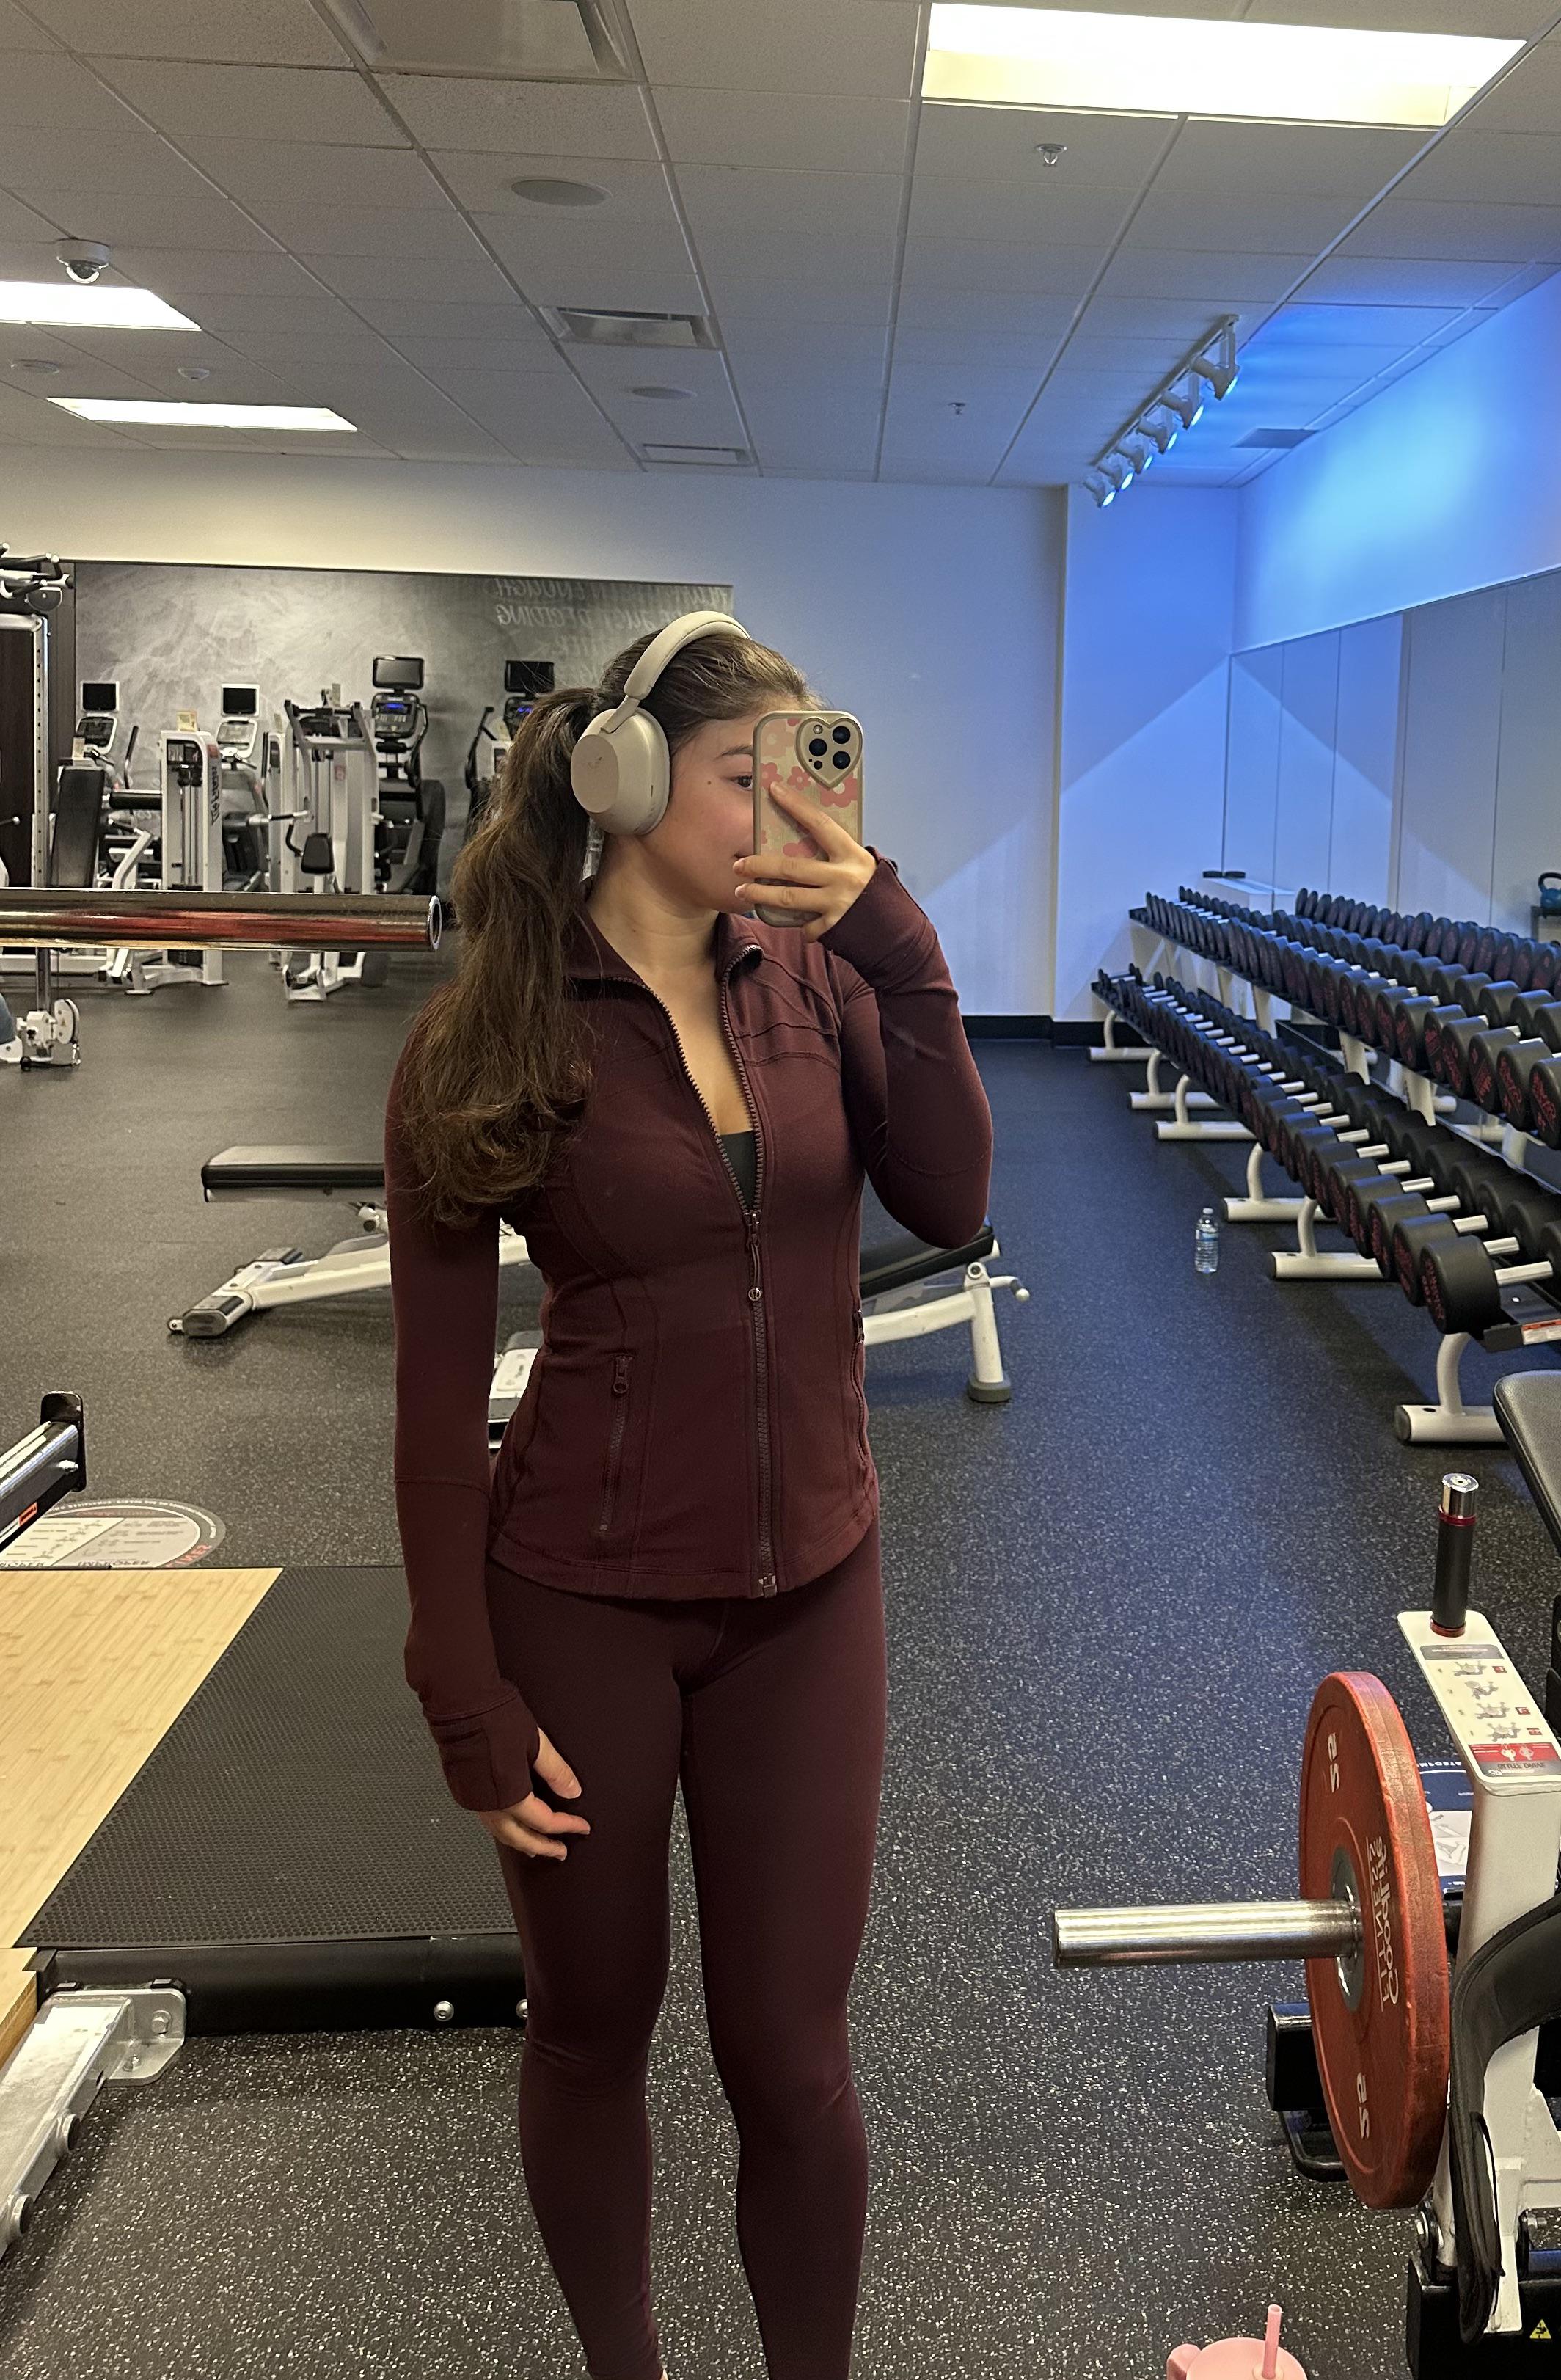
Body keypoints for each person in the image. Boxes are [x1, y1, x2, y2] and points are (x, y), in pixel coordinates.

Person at [384, 616, 993, 2380]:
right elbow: (432, 1408)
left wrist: (895, 942)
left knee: (791, 2060)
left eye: (810, 769)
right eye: (748, 774)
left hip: (812, 1589)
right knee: (590, 2024)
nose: (788, 810)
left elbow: (952, 1199)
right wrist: (459, 1684)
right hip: (579, 1598)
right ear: (625, 780)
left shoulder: (818, 982)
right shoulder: (487, 1035)